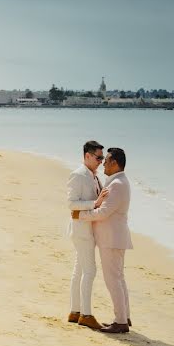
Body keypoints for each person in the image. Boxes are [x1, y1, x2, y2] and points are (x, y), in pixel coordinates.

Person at [73, 147, 132, 334]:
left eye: (106, 160)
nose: (103, 164)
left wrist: (80, 215)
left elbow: (104, 212)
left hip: (111, 239)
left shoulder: (117, 184)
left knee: (113, 280)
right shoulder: (118, 181)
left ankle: (121, 321)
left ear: (114, 163)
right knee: (118, 279)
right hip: (114, 238)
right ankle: (125, 317)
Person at [66, 140, 107, 330]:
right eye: (98, 157)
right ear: (87, 156)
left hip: (84, 228)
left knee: (80, 270)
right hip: (82, 231)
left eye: (103, 158)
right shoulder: (78, 175)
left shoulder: (92, 175)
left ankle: (75, 312)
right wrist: (95, 203)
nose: (101, 161)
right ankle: (86, 314)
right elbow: (71, 203)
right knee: (90, 271)